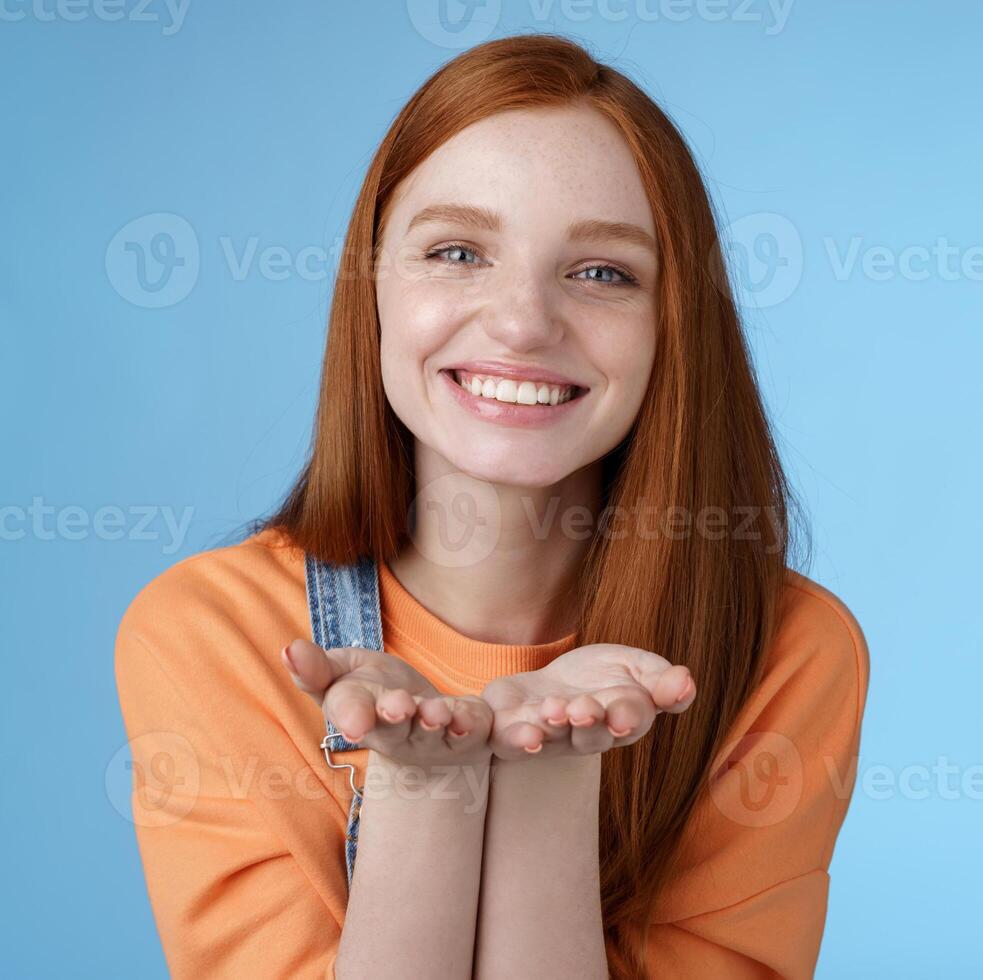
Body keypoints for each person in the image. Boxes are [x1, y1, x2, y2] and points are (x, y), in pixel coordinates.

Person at [112, 34, 868, 979]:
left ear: (674, 324)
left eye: (602, 272)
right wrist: (428, 792)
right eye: (458, 251)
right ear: (373, 285)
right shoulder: (206, 635)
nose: (521, 321)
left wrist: (547, 776)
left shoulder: (784, 650)